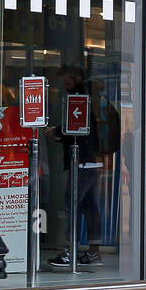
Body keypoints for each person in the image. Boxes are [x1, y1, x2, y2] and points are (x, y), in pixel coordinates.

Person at [48, 64, 119, 270]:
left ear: (78, 79)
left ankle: (69, 251)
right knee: (90, 207)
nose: (65, 87)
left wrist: (57, 132)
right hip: (94, 160)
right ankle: (94, 252)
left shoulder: (79, 98)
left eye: (67, 82)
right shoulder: (97, 101)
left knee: (71, 206)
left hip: (83, 161)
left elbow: (76, 127)